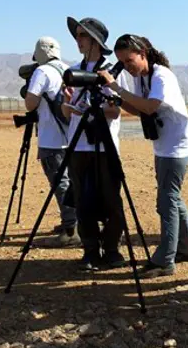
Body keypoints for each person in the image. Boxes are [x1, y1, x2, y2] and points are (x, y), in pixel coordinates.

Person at [98, 33, 188, 278]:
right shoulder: (142, 78)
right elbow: (138, 109)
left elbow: (150, 106)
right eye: (122, 62)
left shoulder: (161, 75)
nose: (127, 67)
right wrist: (118, 98)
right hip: (164, 147)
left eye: (129, 60)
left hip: (176, 149)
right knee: (173, 198)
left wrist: (115, 86)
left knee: (166, 202)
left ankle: (165, 259)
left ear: (143, 54)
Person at [61, 16, 131, 272]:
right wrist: (70, 105)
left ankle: (112, 249)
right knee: (82, 199)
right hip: (78, 145)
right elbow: (66, 113)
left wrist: (96, 108)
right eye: (77, 35)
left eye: (82, 36)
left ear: (95, 41)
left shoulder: (112, 71)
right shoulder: (74, 70)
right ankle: (90, 250)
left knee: (111, 198)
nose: (77, 40)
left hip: (104, 144)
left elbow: (116, 111)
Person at [22, 36, 81, 248]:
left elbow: (30, 103)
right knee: (72, 182)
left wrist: (31, 86)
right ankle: (74, 222)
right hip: (72, 137)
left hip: (51, 139)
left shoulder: (42, 72)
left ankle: (70, 230)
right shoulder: (68, 69)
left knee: (60, 183)